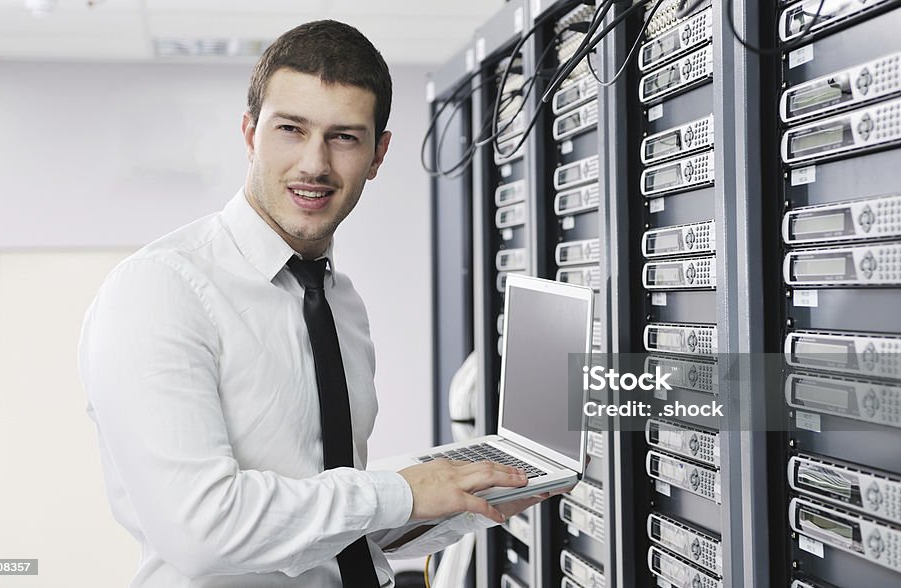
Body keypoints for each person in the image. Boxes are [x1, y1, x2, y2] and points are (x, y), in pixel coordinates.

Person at [79, 19, 551, 588]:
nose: (314, 164)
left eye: (344, 137)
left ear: (378, 154)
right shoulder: (160, 290)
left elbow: (326, 533)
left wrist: (460, 497)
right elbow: (200, 529)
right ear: (250, 134)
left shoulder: (340, 303)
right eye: (291, 130)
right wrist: (398, 490)